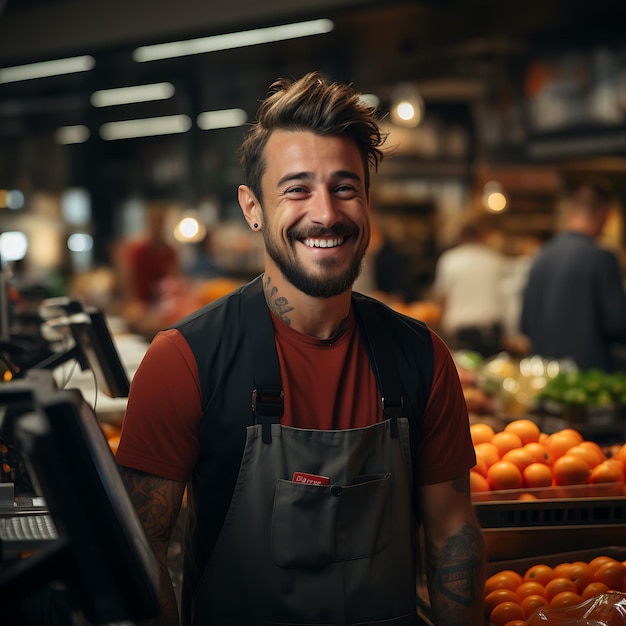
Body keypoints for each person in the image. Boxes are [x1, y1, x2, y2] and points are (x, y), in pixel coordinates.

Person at [115, 72, 484, 626]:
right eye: (296, 189)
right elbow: (139, 555)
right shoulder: (185, 361)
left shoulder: (422, 358)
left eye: (344, 187)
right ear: (252, 207)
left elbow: (453, 531)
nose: (326, 214)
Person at [521, 178, 626, 371]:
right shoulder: (603, 259)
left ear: (569, 214)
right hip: (588, 382)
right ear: (604, 215)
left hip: (542, 377)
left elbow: (525, 325)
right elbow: (618, 325)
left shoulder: (541, 256)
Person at [431, 217, 507, 357]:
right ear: (481, 236)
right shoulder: (495, 259)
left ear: (460, 237)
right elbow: (506, 296)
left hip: (461, 333)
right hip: (492, 331)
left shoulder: (449, 259)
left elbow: (442, 299)